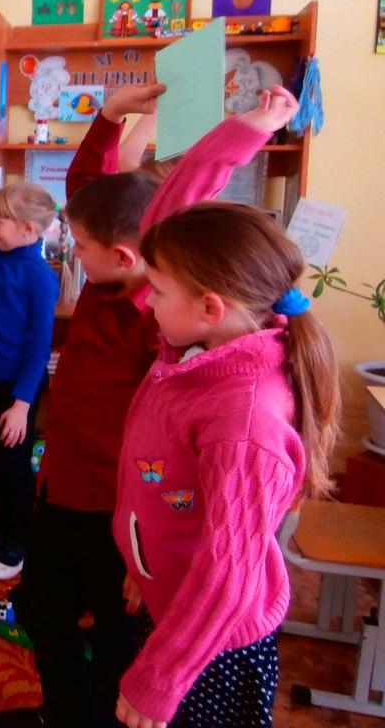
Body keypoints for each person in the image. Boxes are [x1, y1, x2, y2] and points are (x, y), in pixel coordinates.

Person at [0, 83, 301, 728]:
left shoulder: (161, 323)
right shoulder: (127, 284)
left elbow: (229, 566)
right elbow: (95, 197)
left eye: (81, 249)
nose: (73, 255)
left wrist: (250, 129)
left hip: (114, 508)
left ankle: (93, 715)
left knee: (115, 635)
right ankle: (67, 713)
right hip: (67, 489)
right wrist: (111, 117)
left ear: (128, 257)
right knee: (44, 608)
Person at [113, 202, 341, 728]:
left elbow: (227, 574)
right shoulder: (198, 353)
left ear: (210, 308)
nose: (149, 303)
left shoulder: (245, 420)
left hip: (212, 646)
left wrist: (159, 680)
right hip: (175, 608)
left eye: (158, 291)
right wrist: (144, 566)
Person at [0, 120, 60, 583]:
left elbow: (40, 346)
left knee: (14, 468)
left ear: (27, 229)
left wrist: (22, 404)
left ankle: (18, 544)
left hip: (17, 388)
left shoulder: (41, 277)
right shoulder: (1, 249)